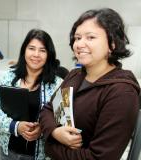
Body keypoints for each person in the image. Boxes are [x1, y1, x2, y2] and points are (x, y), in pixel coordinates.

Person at [40, 8, 140, 160]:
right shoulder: (74, 76)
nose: (79, 44)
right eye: (77, 38)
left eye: (90, 37)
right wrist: (55, 132)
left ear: (112, 44)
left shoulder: (121, 92)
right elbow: (48, 110)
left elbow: (99, 157)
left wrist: (50, 147)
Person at [0, 29, 62, 160]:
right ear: (24, 50)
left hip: (40, 155)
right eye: (31, 48)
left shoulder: (58, 84)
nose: (36, 54)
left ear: (49, 54)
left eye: (42, 50)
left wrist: (43, 130)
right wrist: (16, 126)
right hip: (8, 151)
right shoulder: (8, 77)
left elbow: (62, 120)